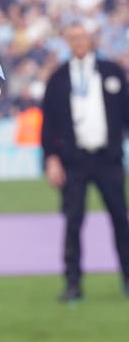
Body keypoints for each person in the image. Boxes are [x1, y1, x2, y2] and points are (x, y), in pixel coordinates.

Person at [41, 20, 129, 301]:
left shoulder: (111, 72)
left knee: (120, 219)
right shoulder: (58, 78)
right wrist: (51, 159)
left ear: (91, 40)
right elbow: (48, 124)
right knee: (73, 221)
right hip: (74, 162)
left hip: (108, 158)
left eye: (83, 38)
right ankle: (73, 284)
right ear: (67, 41)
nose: (78, 43)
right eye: (73, 38)